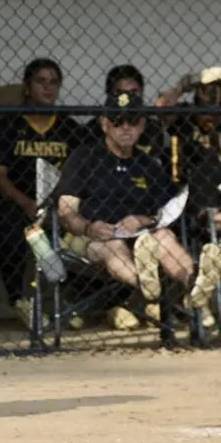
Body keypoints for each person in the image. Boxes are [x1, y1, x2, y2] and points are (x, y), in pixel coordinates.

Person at [57, 92, 221, 314]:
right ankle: (147, 285)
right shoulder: (84, 157)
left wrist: (141, 220)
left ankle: (194, 281)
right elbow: (66, 211)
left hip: (140, 237)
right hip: (92, 235)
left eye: (133, 121)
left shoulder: (148, 165)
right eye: (117, 121)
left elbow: (163, 213)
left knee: (163, 237)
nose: (126, 127)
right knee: (111, 246)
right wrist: (89, 227)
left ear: (142, 125)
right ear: (105, 124)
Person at [0, 58, 83, 327]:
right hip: (18, 201)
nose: (48, 88)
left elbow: (80, 176)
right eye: (41, 81)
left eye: (54, 82)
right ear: (27, 87)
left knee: (79, 231)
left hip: (57, 202)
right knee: (8, 226)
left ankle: (59, 300)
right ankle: (22, 301)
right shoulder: (9, 125)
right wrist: (26, 202)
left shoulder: (69, 128)